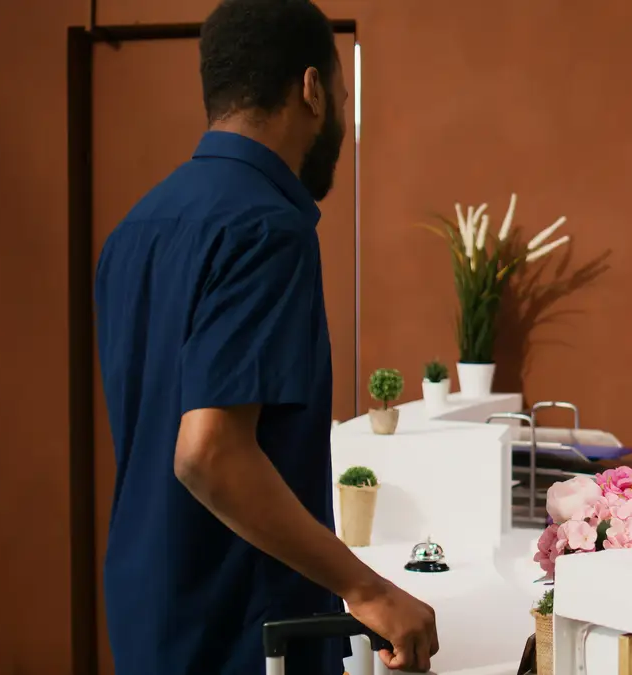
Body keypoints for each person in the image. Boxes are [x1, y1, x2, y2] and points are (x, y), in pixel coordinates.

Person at [93, 1, 438, 673]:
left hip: (148, 622)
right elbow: (208, 453)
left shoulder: (134, 229)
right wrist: (367, 587)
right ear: (310, 90)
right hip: (244, 636)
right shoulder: (267, 226)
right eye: (341, 96)